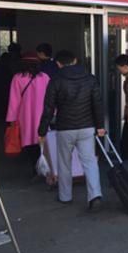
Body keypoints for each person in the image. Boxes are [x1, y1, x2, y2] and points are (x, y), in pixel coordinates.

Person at [38, 50, 105, 212]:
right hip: (87, 126)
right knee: (90, 162)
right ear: (75, 60)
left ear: (58, 64)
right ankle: (95, 196)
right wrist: (100, 126)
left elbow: (48, 108)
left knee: (64, 162)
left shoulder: (56, 80)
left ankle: (65, 196)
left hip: (65, 128)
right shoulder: (90, 79)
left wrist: (42, 131)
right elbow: (97, 104)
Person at [6, 53, 51, 176]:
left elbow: (14, 101)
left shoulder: (17, 78)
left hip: (25, 116)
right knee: (43, 141)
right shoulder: (45, 77)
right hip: (43, 116)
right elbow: (51, 97)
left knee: (28, 140)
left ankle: (35, 168)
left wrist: (11, 119)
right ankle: (45, 168)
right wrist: (54, 112)